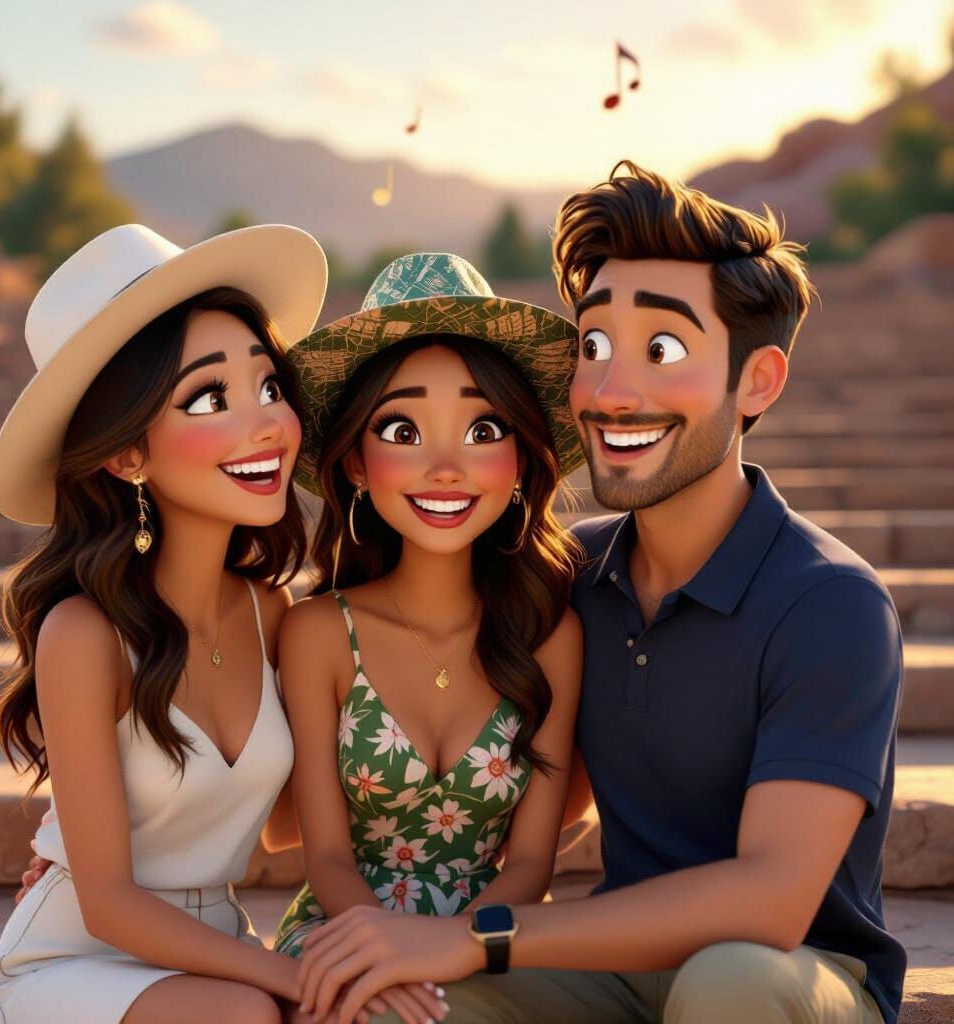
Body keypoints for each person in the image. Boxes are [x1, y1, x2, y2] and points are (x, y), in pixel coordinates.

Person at [289, 164, 905, 1024]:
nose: (613, 391)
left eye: (661, 349)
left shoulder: (832, 604)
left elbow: (773, 901)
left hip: (791, 971)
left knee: (729, 984)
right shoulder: (570, 580)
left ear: (758, 381)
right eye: (593, 348)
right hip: (617, 965)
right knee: (398, 1002)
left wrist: (481, 936)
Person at [0, 224, 446, 1024]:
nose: (266, 422)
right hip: (73, 958)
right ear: (126, 456)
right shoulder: (84, 634)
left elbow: (296, 827)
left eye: (268, 388)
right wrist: (293, 978)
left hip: (215, 953)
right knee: (260, 1014)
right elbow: (110, 905)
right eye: (208, 399)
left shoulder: (273, 612)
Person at [272, 253, 584, 967]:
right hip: (340, 935)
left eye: (482, 431)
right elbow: (325, 857)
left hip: (486, 941)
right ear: (355, 465)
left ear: (519, 466)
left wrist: (449, 952)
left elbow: (530, 865)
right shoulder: (318, 632)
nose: (445, 466)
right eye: (403, 432)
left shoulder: (550, 637)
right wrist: (390, 954)